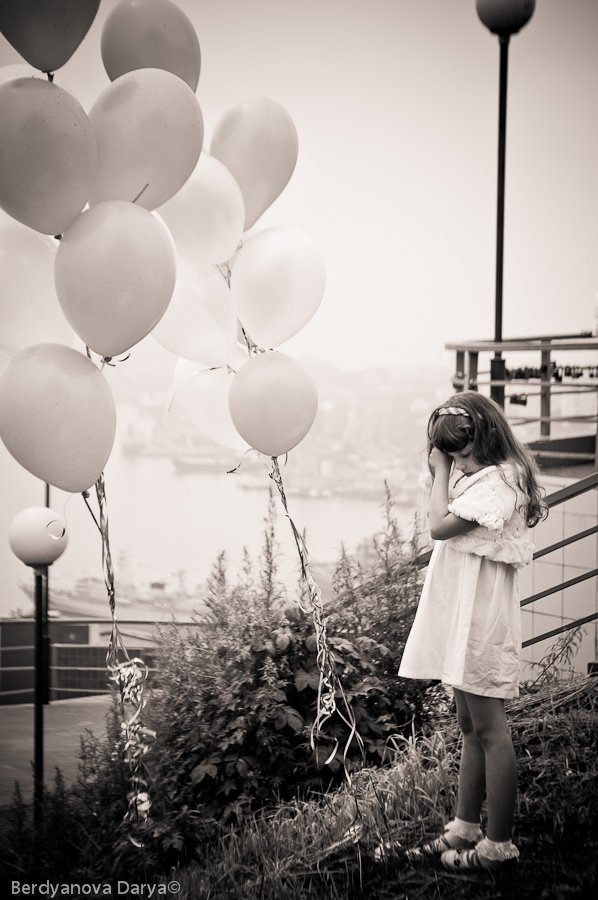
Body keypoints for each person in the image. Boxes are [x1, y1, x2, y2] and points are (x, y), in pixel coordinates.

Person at [398, 391, 547, 872]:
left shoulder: (502, 482)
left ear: (484, 439)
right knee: (469, 725)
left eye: (461, 454)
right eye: (451, 457)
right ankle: (465, 825)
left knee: (491, 730)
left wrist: (441, 471)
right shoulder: (485, 474)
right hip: (464, 616)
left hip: (482, 620)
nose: (457, 464)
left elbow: (438, 527)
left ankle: (497, 845)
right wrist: (448, 465)